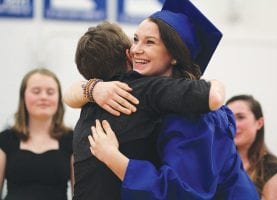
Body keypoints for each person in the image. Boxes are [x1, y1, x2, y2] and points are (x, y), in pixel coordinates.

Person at [65, 0, 259, 199]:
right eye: (135, 39)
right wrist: (92, 88)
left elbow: (183, 194)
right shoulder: (159, 101)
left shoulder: (192, 118)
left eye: (150, 42)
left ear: (174, 55)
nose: (135, 50)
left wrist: (113, 157)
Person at [0, 68, 74, 200]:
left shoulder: (72, 139)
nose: (43, 97)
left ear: (59, 98)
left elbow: (80, 194)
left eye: (50, 92)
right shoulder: (5, 139)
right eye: (36, 91)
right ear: (23, 97)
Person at [226, 94, 277, 199]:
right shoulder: (219, 164)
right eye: (228, 117)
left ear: (259, 123)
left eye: (240, 117)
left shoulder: (274, 170)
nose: (234, 124)